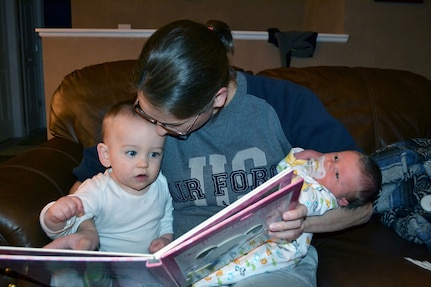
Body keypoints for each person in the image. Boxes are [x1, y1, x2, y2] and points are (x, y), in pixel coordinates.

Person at [70, 19, 373, 286]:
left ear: (217, 98)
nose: (158, 131)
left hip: (268, 262)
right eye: (148, 114)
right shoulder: (151, 112)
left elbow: (364, 204)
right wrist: (86, 228)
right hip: (180, 267)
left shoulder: (285, 105)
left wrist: (303, 222)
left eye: (173, 125)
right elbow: (85, 183)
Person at [194, 147, 381, 286]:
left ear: (342, 200)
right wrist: (299, 156)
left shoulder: (323, 196)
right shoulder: (308, 172)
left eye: (337, 174)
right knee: (232, 254)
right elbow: (282, 168)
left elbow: (306, 201)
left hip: (282, 250)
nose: (330, 164)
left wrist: (295, 204)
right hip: (261, 234)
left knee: (241, 266)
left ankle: (206, 280)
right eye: (336, 157)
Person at [40, 101, 173, 254]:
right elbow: (69, 226)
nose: (144, 163)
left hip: (149, 265)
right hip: (110, 270)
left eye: (154, 154)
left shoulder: (161, 183)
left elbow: (166, 217)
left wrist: (166, 238)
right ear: (106, 155)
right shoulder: (98, 189)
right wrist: (53, 217)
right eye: (132, 153)